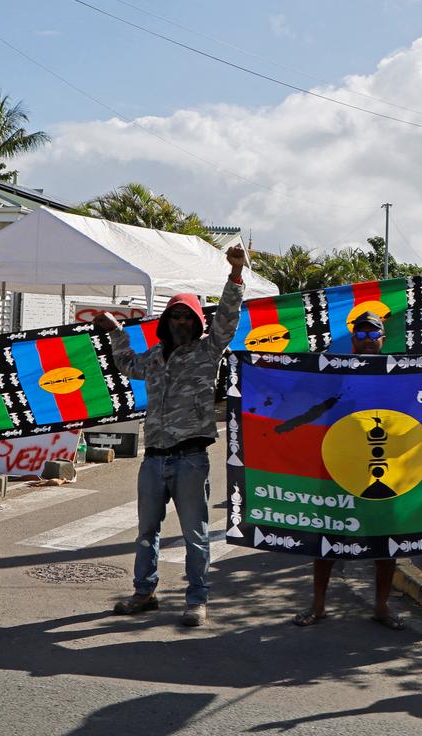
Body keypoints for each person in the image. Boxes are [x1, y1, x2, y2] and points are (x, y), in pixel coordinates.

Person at [95, 244, 247, 628]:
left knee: (195, 535)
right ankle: (144, 593)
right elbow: (127, 364)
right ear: (165, 323)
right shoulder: (154, 358)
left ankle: (196, 599)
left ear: (196, 323)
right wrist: (116, 332)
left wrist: (234, 275)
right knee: (147, 531)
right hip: (154, 458)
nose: (180, 322)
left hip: (191, 458)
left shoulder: (207, 351)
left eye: (186, 317)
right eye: (174, 316)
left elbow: (227, 320)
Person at [291, 311, 405, 630]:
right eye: (362, 335)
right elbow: (303, 388)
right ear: (353, 340)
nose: (368, 341)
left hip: (382, 470)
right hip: (339, 466)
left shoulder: (399, 373)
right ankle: (318, 605)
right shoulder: (334, 370)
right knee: (328, 534)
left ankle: (381, 606)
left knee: (386, 539)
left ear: (382, 340)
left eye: (373, 335)